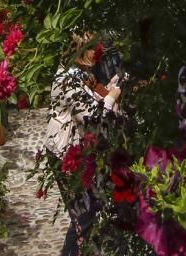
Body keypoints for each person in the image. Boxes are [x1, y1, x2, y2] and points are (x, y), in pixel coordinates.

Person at [45, 33, 122, 256]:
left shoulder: (81, 75)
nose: (97, 53)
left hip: (78, 152)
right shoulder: (68, 78)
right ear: (78, 50)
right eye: (92, 48)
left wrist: (107, 90)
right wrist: (112, 96)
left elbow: (91, 102)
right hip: (65, 155)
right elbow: (92, 118)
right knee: (82, 219)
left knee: (88, 215)